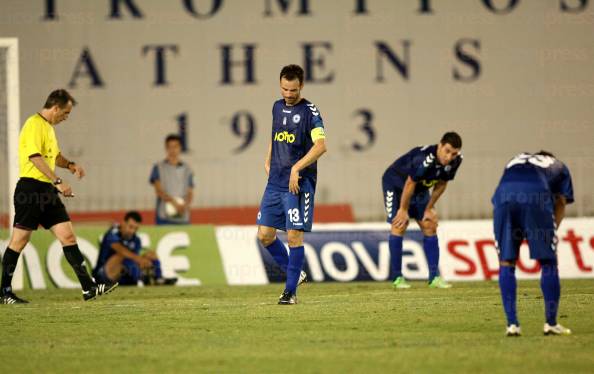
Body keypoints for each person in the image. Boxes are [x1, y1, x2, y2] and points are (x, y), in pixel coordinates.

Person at [1, 89, 117, 304]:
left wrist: (70, 165)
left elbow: (54, 156)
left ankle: (88, 288)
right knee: (20, 240)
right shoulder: (33, 124)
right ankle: (4, 292)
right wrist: (58, 181)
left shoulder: (48, 128)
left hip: (46, 191)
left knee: (68, 236)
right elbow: (35, 157)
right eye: (65, 113)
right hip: (31, 190)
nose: (65, 118)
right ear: (55, 108)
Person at [256, 64, 327, 305]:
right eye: (285, 89)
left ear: (301, 86)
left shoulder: (310, 111)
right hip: (275, 182)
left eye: (293, 90)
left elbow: (321, 146)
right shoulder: (276, 107)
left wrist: (296, 168)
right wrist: (268, 159)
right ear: (280, 85)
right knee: (265, 235)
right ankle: (297, 274)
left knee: (294, 236)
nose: (288, 94)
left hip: (298, 184)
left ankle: (290, 292)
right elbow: (276, 134)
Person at [492, 151, 574, 337]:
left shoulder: (515, 159)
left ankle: (512, 325)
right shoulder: (558, 165)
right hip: (535, 195)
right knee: (548, 262)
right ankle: (551, 323)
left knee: (506, 261)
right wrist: (551, 232)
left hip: (503, 197)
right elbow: (560, 202)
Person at [382, 132, 463, 289]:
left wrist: (429, 208)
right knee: (399, 224)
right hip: (396, 185)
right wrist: (403, 210)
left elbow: (441, 184)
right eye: (447, 151)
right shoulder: (424, 159)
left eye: (454, 153)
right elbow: (409, 183)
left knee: (429, 224)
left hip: (419, 189)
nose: (449, 157)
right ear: (440, 145)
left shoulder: (456, 161)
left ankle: (434, 278)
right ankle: (397, 278)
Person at [93, 211, 176, 286]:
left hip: (123, 277)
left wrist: (144, 263)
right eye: (130, 227)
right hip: (103, 276)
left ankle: (158, 279)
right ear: (123, 223)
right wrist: (139, 259)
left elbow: (134, 260)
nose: (132, 231)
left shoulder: (136, 240)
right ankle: (144, 277)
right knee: (121, 256)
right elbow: (120, 249)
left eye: (136, 228)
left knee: (151, 254)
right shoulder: (112, 234)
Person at [149, 134, 194, 225]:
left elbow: (190, 192)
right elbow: (159, 191)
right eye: (170, 147)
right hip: (164, 217)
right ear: (166, 148)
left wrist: (184, 206)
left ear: (180, 148)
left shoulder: (187, 169)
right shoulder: (158, 167)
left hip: (182, 216)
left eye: (175, 146)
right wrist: (174, 203)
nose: (173, 150)